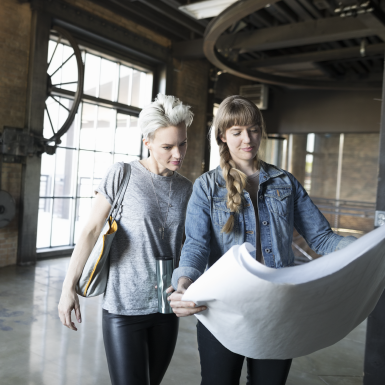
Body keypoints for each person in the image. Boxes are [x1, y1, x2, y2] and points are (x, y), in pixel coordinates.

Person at [168, 95, 356, 385]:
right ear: (222, 136)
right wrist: (183, 284)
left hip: (278, 310)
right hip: (222, 309)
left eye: (253, 129)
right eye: (237, 132)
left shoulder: (285, 182)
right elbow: (196, 245)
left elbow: (321, 238)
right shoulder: (206, 187)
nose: (248, 139)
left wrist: (368, 247)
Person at [58, 94, 194, 385]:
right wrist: (67, 289)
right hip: (123, 309)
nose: (178, 154)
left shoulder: (187, 188)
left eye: (182, 143)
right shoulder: (123, 174)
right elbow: (91, 231)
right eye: (167, 146)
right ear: (147, 142)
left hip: (166, 307)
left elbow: (189, 246)